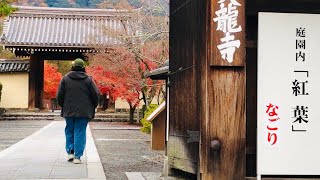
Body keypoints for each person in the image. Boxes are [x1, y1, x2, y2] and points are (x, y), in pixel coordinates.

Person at [56, 58, 99, 164]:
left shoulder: (65, 79)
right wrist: (93, 106)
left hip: (69, 110)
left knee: (69, 130)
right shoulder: (89, 80)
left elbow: (59, 96)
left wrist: (64, 106)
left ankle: (70, 152)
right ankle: (77, 157)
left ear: (73, 66)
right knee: (80, 131)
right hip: (84, 111)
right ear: (83, 67)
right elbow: (95, 95)